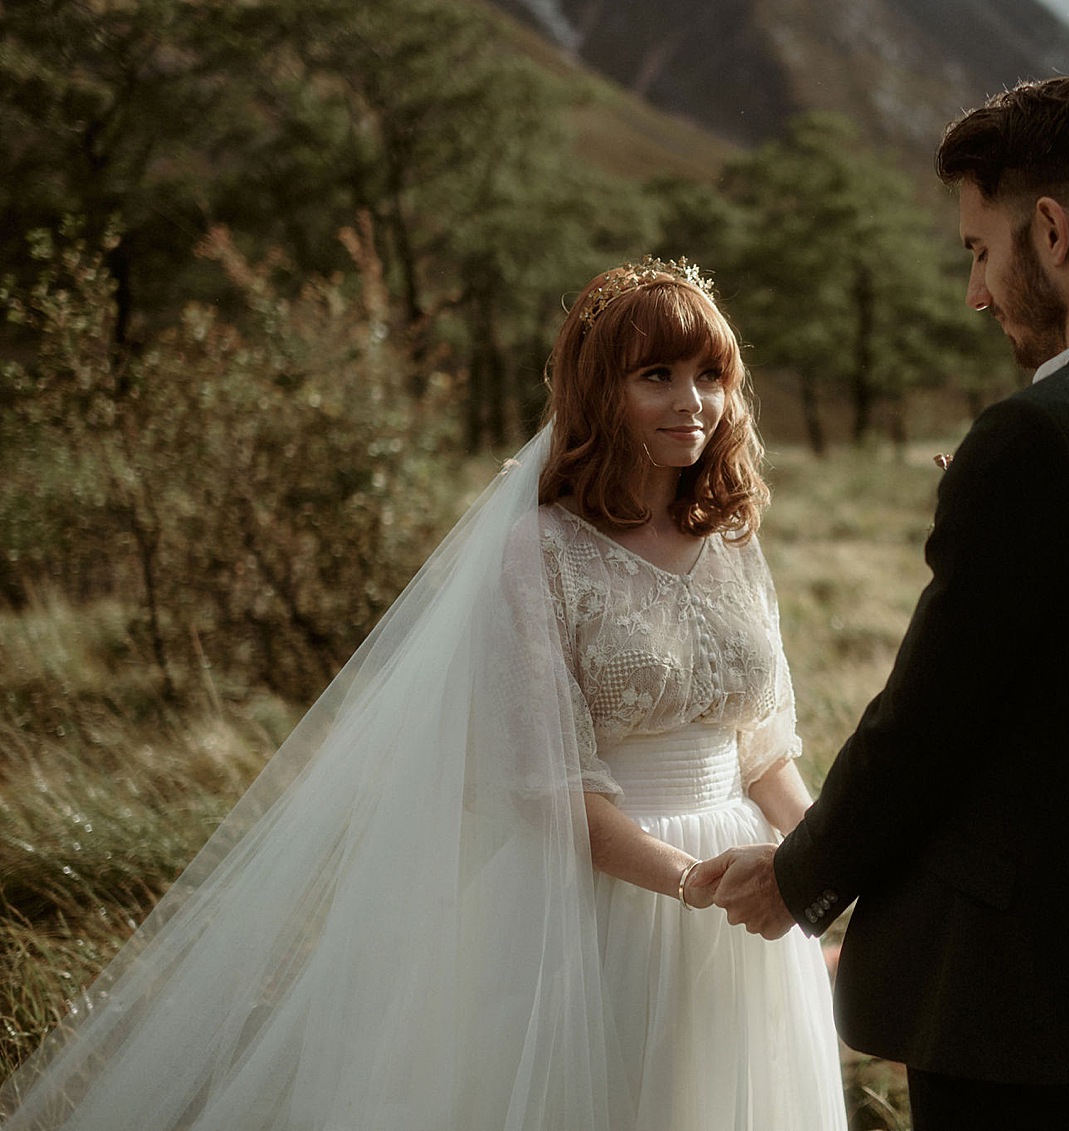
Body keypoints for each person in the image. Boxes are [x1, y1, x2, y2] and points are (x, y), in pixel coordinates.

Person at [0, 258, 847, 1131]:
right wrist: (697, 885)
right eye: (656, 376)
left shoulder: (734, 539)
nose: (691, 402)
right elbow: (553, 793)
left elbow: (764, 750)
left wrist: (821, 857)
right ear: (602, 391)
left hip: (752, 907)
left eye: (710, 374)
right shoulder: (545, 551)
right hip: (610, 908)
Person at [699, 75, 1069, 1131]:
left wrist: (800, 876)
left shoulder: (1045, 434)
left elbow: (929, 718)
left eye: (980, 249)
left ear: (1052, 231)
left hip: (1021, 986)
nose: (975, 292)